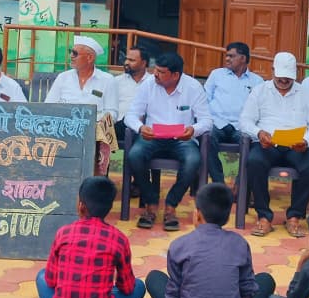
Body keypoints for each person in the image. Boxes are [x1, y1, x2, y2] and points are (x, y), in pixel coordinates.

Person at [146, 183, 276, 298]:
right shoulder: (240, 243)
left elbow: (173, 293)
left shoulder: (180, 244)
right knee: (266, 280)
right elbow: (247, 290)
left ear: (197, 214)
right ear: (227, 217)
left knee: (154, 278)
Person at [36, 176, 146, 298]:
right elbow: (127, 287)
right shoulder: (119, 239)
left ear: (81, 206)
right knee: (139, 286)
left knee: (41, 275)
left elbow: (51, 281)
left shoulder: (63, 233)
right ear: (109, 208)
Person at [238, 51, 309, 238]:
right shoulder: (260, 91)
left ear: (295, 74)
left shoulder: (306, 93)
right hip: (268, 144)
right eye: (280, 77)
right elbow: (245, 121)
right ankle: (264, 216)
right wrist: (259, 133)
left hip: (297, 146)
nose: (284, 81)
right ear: (273, 71)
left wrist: (306, 141)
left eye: (288, 78)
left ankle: (294, 216)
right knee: (254, 162)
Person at [125, 52, 212, 231]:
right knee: (134, 155)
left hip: (182, 139)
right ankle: (151, 203)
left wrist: (193, 130)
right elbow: (131, 115)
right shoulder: (148, 84)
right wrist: (140, 128)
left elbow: (207, 120)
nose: (155, 74)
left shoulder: (193, 87)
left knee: (193, 160)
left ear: (175, 75)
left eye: (161, 72)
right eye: (155, 70)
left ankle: (171, 205)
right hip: (152, 136)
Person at [45, 35, 119, 175]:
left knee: (97, 136)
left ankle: (94, 179)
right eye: (71, 52)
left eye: (75, 53)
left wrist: (95, 122)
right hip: (64, 128)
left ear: (90, 58)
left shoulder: (107, 80)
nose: (71, 56)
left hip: (93, 130)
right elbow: (48, 106)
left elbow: (113, 112)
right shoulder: (63, 78)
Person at [203, 42, 263, 185]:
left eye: (231, 56)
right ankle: (219, 184)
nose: (227, 59)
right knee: (206, 138)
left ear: (243, 58)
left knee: (251, 144)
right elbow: (204, 99)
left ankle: (240, 185)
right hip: (217, 123)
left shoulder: (257, 81)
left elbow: (260, 108)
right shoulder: (216, 75)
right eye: (227, 56)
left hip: (241, 126)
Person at [114, 45, 154, 121]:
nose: (126, 62)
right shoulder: (117, 81)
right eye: (126, 59)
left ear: (143, 63)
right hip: (118, 124)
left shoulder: (153, 82)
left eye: (131, 60)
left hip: (144, 125)